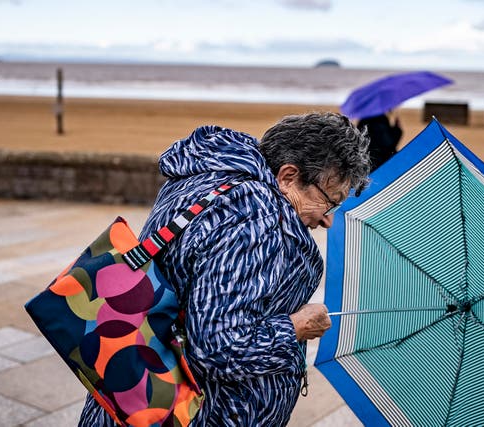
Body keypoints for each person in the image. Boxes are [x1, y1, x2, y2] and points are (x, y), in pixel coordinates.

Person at [78, 112, 371, 426]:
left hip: (133, 397)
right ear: (287, 176)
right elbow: (220, 348)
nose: (328, 219)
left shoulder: (213, 175)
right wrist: (295, 327)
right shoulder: (253, 219)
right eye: (330, 201)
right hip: (189, 414)